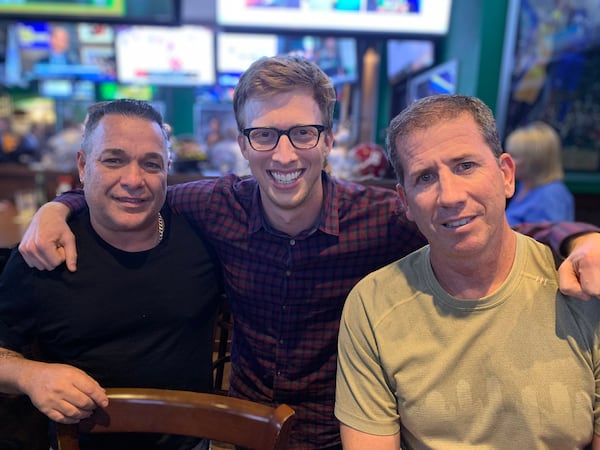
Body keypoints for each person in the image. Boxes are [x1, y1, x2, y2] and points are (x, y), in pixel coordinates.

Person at [17, 56, 600, 450]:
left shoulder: (384, 216)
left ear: (328, 139)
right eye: (264, 135)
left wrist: (578, 238)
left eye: (303, 132)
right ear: (242, 144)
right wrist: (61, 206)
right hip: (236, 433)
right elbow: (133, 190)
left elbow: (478, 217)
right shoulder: (212, 205)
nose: (284, 153)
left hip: (339, 435)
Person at [335, 94, 600, 449]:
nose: (450, 196)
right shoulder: (373, 304)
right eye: (425, 177)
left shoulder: (584, 287)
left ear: (506, 175)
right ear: (405, 202)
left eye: (465, 166)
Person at [0, 99, 222, 450]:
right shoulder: (43, 253)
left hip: (191, 444)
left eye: (150, 164)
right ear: (84, 166)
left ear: (167, 169)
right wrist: (28, 375)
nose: (133, 180)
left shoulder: (204, 242)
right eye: (114, 160)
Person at [504, 121, 575, 226]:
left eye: (514, 156)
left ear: (534, 161)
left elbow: (550, 239)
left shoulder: (552, 196)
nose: (506, 162)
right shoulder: (524, 185)